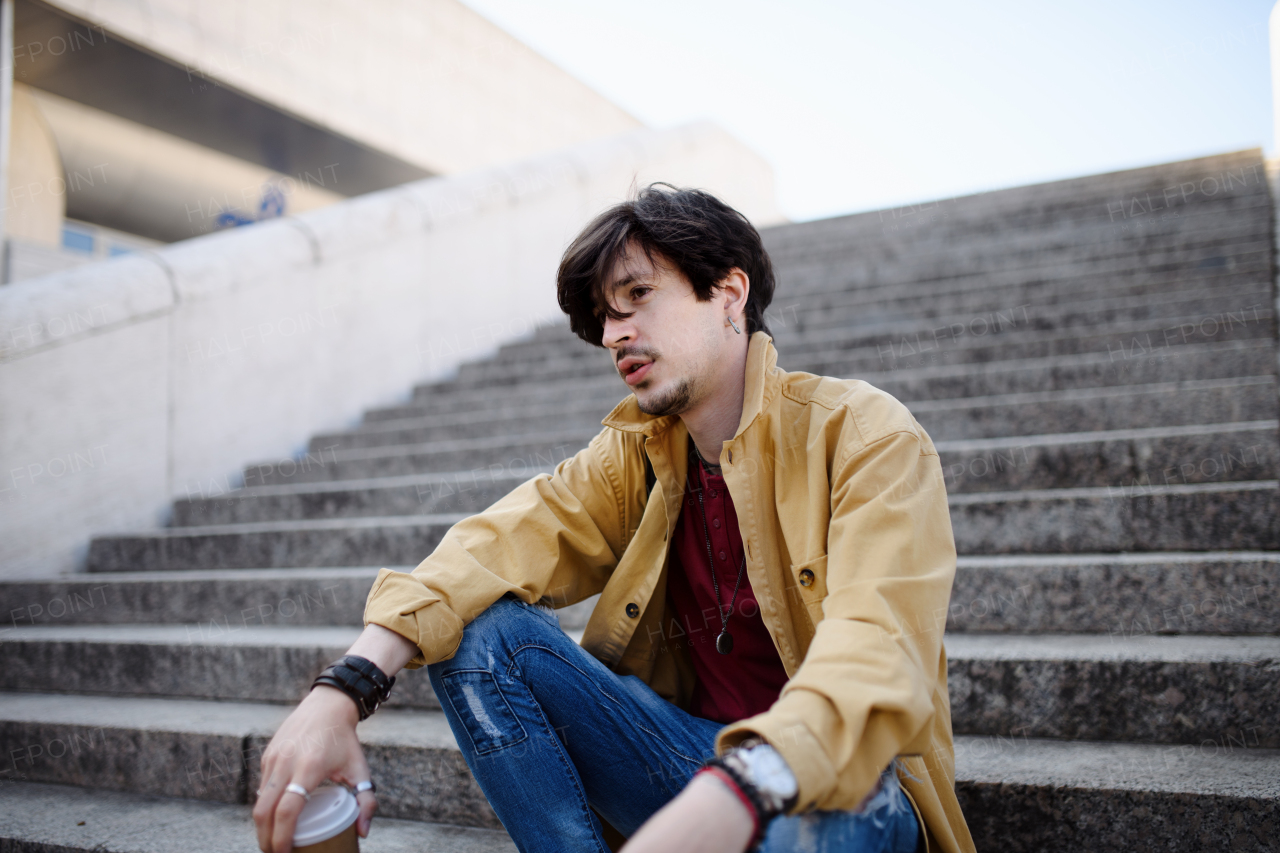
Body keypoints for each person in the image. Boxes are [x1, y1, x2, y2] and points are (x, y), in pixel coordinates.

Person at [253, 184, 976, 853]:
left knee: (808, 826)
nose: (612, 333)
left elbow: (878, 650)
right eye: (604, 314)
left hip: (849, 782)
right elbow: (491, 547)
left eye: (637, 296)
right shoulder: (635, 454)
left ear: (729, 295)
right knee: (484, 628)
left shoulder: (864, 433)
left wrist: (746, 786)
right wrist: (342, 690)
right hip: (693, 762)